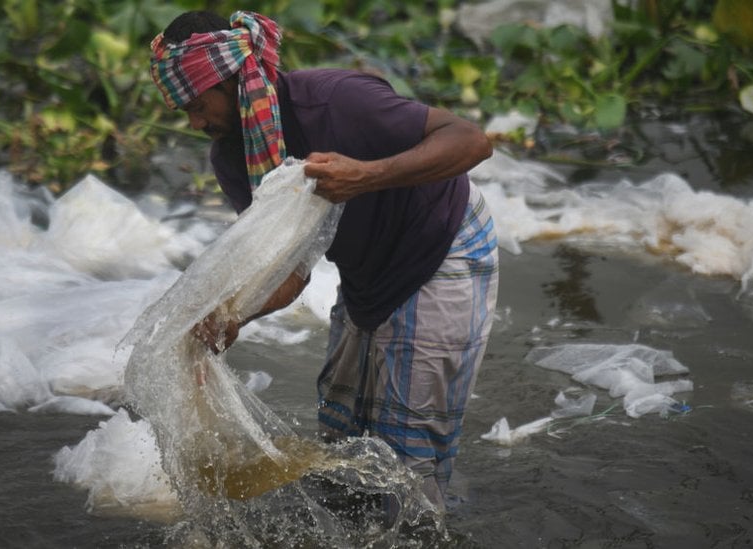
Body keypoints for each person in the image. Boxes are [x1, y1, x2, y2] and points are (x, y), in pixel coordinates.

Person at [149, 10, 499, 511]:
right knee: (342, 440)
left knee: (408, 448)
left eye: (199, 106)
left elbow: (471, 140)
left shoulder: (337, 100)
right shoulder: (234, 158)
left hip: (440, 245)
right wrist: (230, 317)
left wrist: (369, 175)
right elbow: (290, 267)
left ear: (236, 80)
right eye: (184, 111)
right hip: (366, 270)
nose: (196, 123)